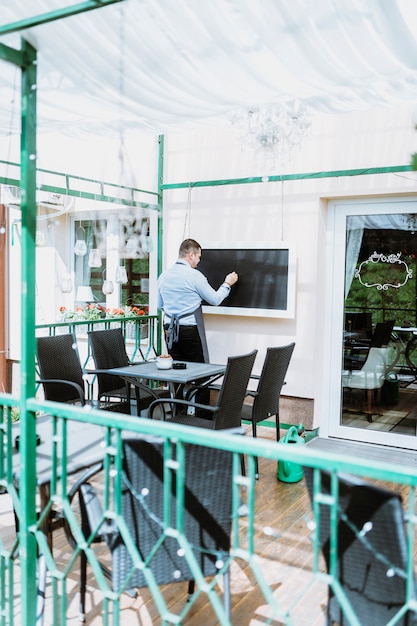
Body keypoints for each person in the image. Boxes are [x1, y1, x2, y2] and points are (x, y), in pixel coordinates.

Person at [157, 238, 238, 363]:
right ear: (191, 255)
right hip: (189, 328)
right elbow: (215, 300)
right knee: (197, 370)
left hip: (169, 328)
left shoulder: (163, 276)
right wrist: (227, 283)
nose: (199, 261)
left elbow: (160, 305)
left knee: (177, 368)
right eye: (198, 257)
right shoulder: (195, 276)